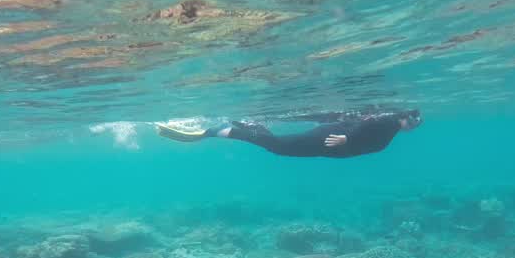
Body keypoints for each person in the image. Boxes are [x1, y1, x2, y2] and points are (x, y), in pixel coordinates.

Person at [155, 109, 422, 158]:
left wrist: (349, 141)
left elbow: (370, 133)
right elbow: (367, 124)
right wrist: (348, 138)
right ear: (403, 115)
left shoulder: (392, 126)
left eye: (416, 123)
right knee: (279, 147)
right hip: (332, 139)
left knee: (280, 147)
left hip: (331, 146)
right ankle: (217, 131)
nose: (413, 125)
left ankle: (248, 127)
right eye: (412, 120)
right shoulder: (388, 120)